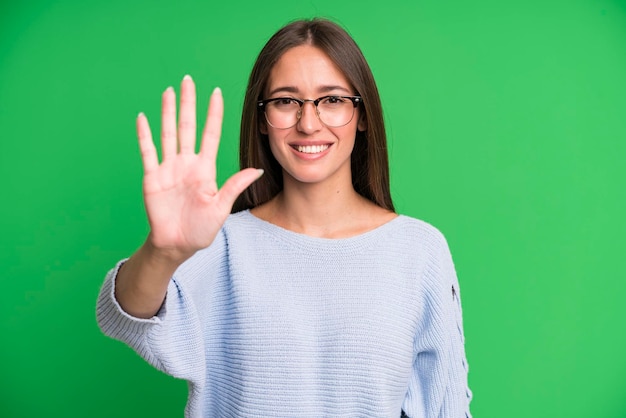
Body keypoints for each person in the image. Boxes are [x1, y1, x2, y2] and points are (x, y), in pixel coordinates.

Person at [96, 18, 472, 417]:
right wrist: (162, 251)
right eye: (285, 101)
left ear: (362, 114)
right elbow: (123, 317)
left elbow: (445, 406)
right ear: (261, 119)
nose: (308, 124)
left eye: (332, 100)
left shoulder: (419, 251)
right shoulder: (219, 242)